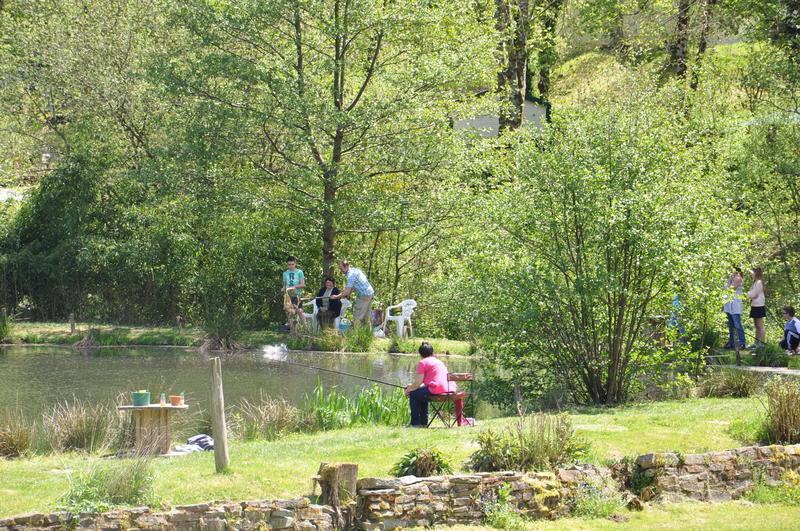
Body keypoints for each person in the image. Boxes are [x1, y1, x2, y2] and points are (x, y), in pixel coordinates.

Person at [404, 342, 456, 427]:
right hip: (448, 389)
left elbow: (417, 383)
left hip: (436, 389)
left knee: (413, 394)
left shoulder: (423, 362)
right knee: (421, 394)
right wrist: (411, 387)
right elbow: (425, 383)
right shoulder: (439, 362)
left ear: (420, 354)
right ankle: (423, 423)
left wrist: (408, 390)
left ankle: (415, 423)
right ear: (432, 352)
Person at [330, 260, 374, 326]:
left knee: (357, 316)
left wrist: (336, 297)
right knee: (366, 317)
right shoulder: (355, 270)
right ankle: (367, 332)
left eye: (341, 268)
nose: (340, 270)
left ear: (346, 266)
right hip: (370, 293)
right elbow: (354, 287)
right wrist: (346, 293)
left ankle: (356, 332)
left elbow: (347, 291)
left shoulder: (350, 275)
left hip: (364, 296)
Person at [281, 256, 307, 333]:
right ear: (287, 264)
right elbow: (284, 285)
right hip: (288, 296)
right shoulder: (285, 273)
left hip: (296, 295)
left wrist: (294, 287)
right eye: (289, 264)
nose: (291, 266)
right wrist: (283, 288)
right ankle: (292, 332)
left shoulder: (299, 272)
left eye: (292, 264)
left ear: (295, 263)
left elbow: (303, 284)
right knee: (290, 313)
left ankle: (306, 330)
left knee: (300, 311)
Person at [722, 267, 746, 349]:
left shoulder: (738, 278)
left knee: (737, 324)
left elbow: (731, 289)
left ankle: (742, 343)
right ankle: (731, 342)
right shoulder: (732, 278)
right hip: (729, 305)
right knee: (731, 325)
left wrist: (729, 280)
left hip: (735, 305)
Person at [747, 267, 767, 349]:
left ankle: (762, 343)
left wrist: (748, 294)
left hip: (759, 305)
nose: (751, 274)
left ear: (756, 273)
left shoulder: (759, 282)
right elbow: (752, 294)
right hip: (754, 305)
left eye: (752, 273)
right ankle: (756, 343)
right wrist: (750, 294)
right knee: (756, 325)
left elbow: (753, 294)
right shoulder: (755, 282)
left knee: (760, 325)